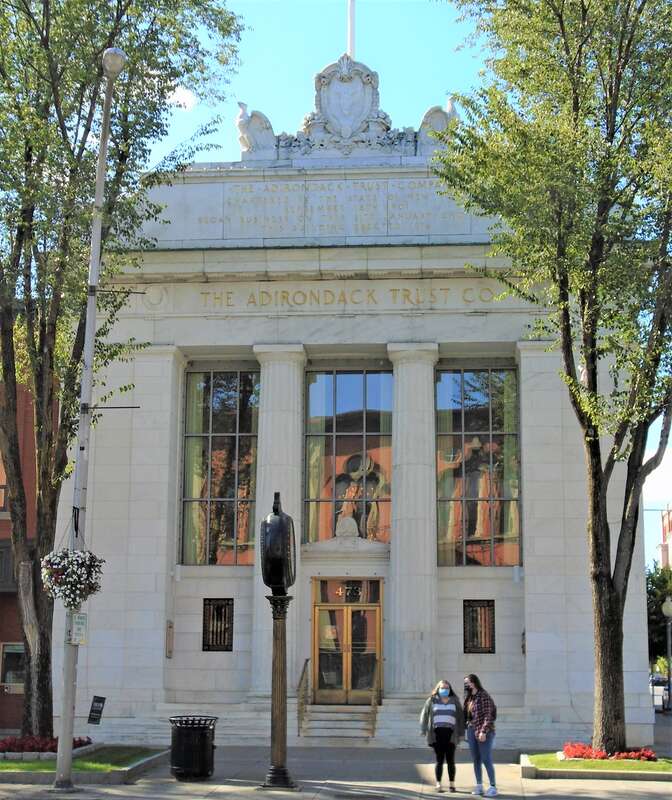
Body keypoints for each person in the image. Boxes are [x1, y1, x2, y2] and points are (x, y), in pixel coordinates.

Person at [420, 679, 464, 793]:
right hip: (437, 734)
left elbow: (460, 717)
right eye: (442, 688)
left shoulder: (454, 700)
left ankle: (452, 784)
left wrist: (461, 734)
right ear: (438, 689)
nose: (444, 690)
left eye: (447, 688)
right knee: (439, 760)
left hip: (451, 734)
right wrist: (423, 729)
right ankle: (438, 784)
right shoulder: (432, 700)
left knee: (451, 760)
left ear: (450, 689)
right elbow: (424, 714)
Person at [463, 673, 497, 797]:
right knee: (476, 759)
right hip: (471, 730)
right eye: (465, 683)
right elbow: (466, 715)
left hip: (484, 731)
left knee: (486, 758)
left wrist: (483, 731)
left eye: (468, 682)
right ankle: (479, 785)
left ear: (474, 682)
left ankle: (493, 787)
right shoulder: (469, 698)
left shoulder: (483, 695)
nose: (466, 685)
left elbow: (489, 716)